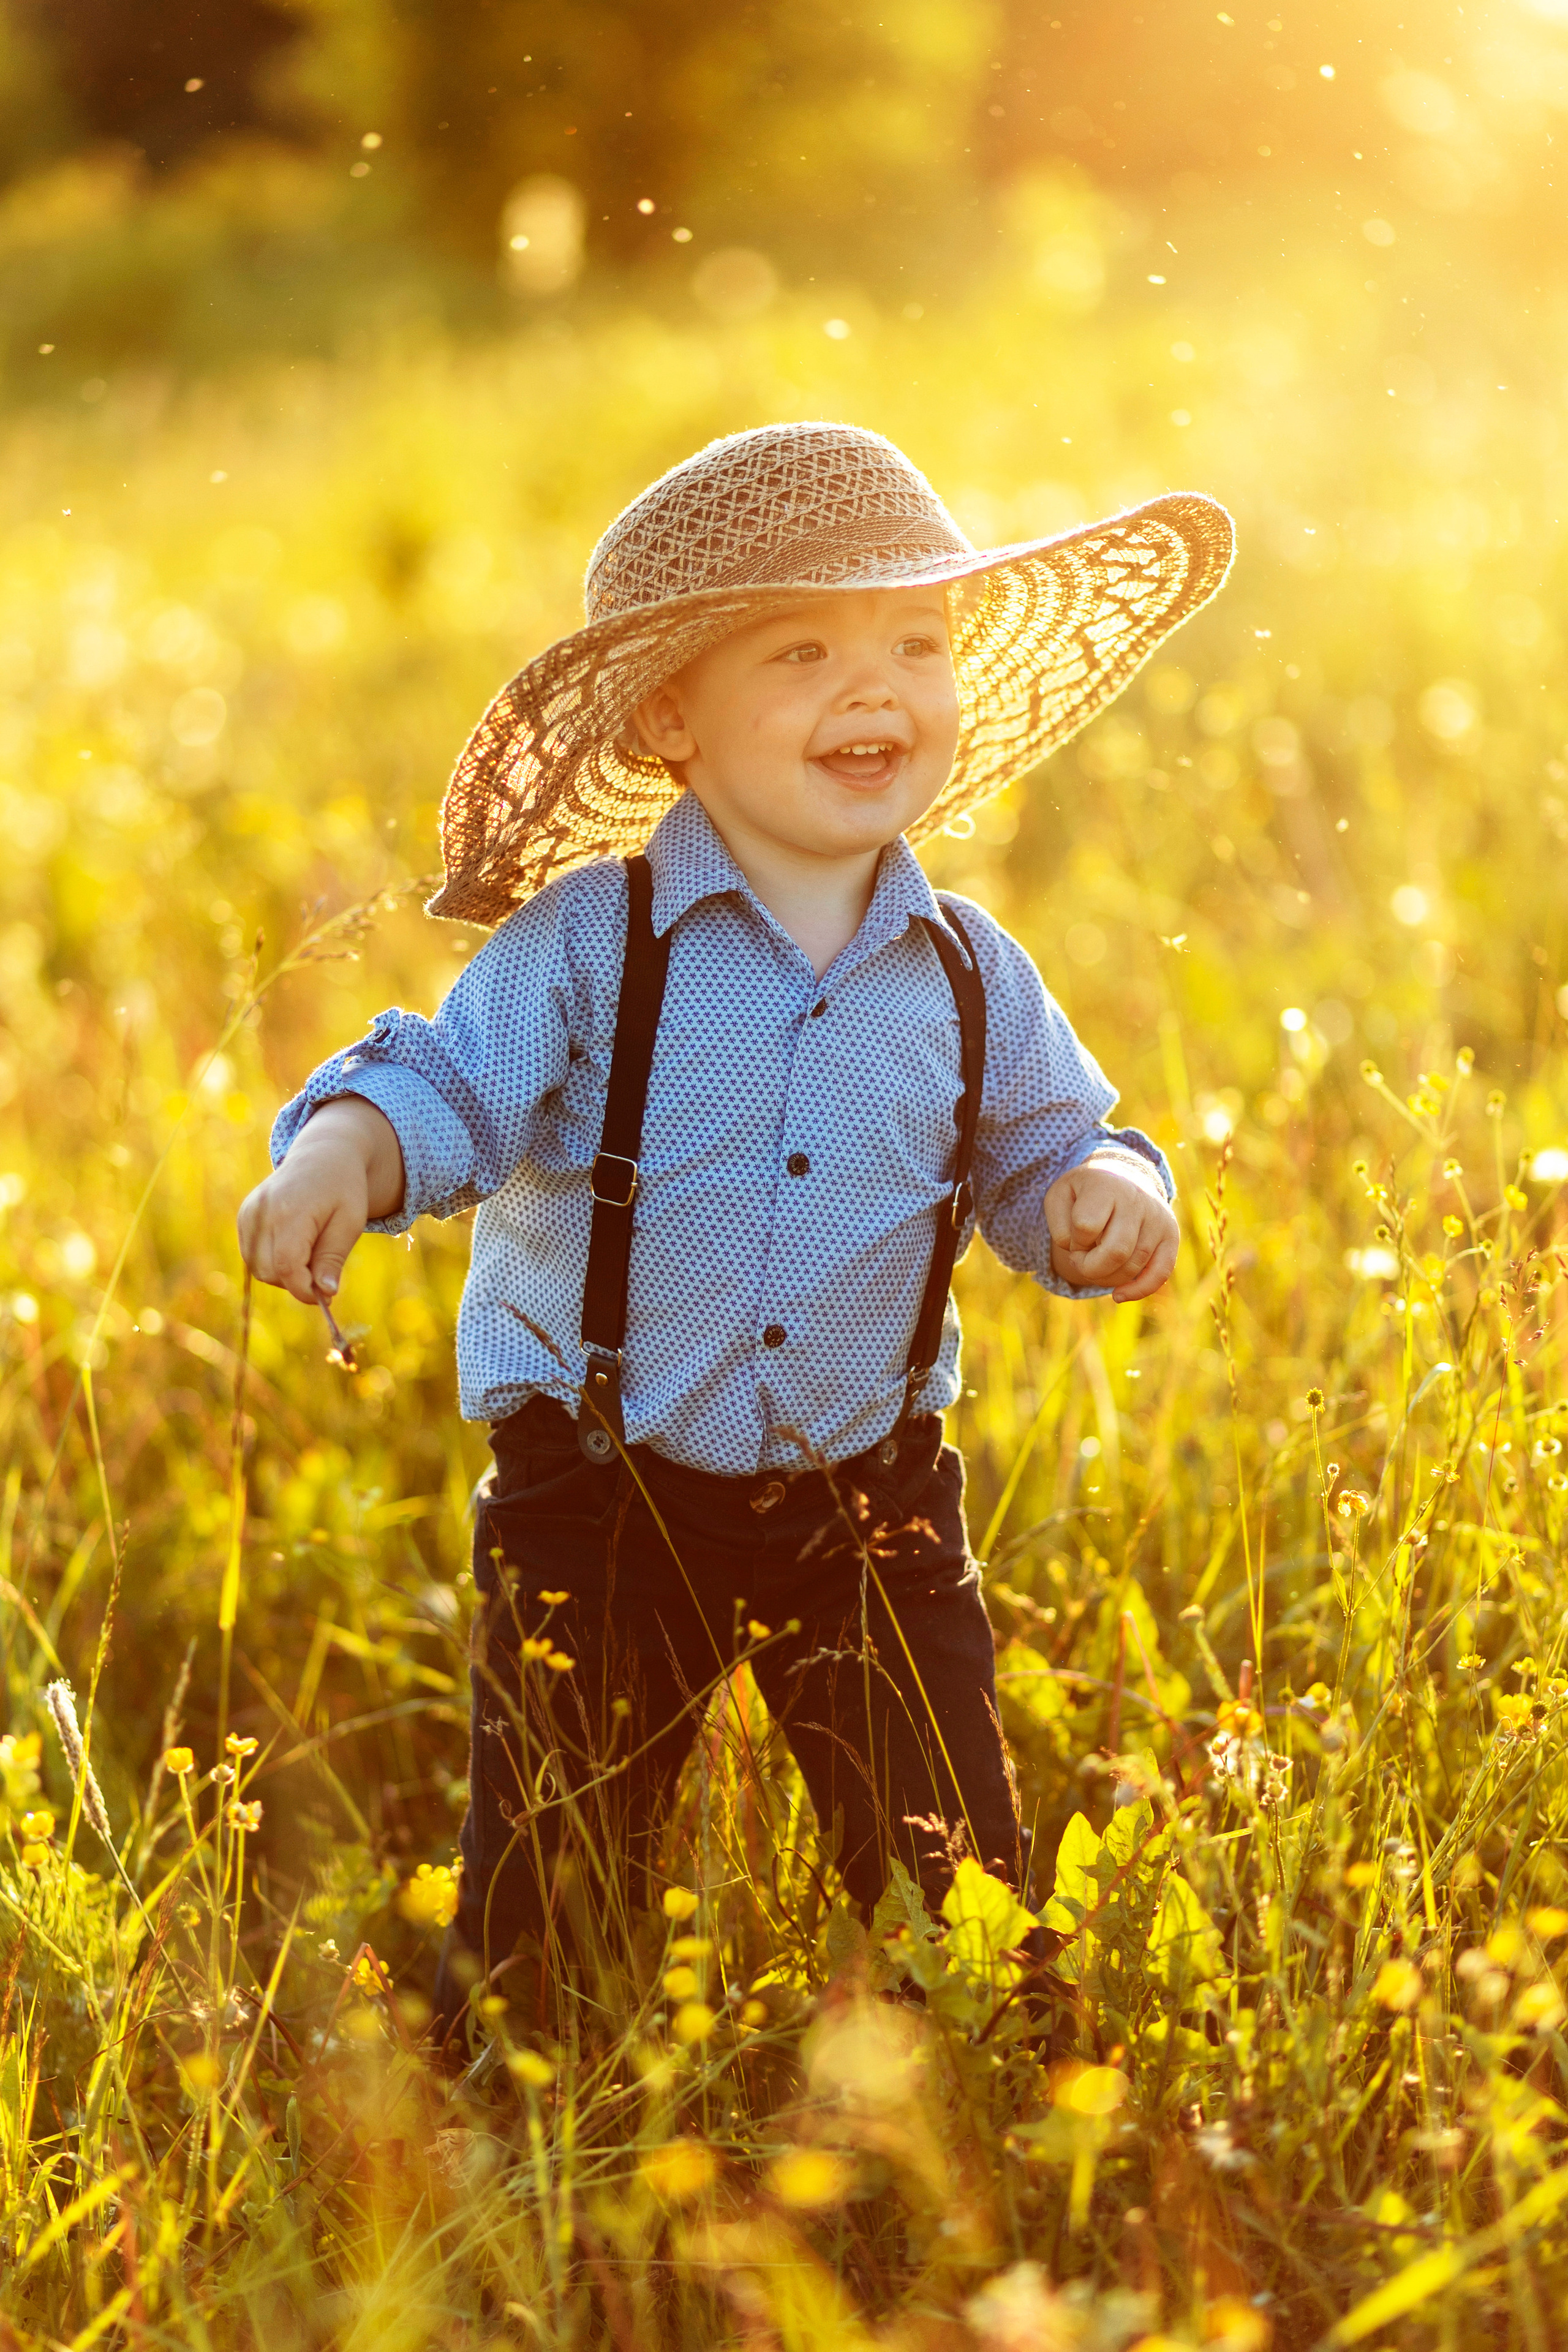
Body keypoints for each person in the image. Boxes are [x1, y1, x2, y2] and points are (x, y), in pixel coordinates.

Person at [237, 422, 1232, 2039]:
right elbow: (450, 1085)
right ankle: (517, 2125)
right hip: (603, 1492)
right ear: (670, 715)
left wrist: (1100, 1201)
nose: (877, 688)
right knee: (554, 1870)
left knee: (952, 1863)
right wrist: (349, 1152)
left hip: (868, 1497)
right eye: (804, 650)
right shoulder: (593, 946)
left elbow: (1049, 1140)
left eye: (918, 641)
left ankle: (1002, 2109)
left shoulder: (973, 968)